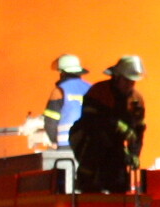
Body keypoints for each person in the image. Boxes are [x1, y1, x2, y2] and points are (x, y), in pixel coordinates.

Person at [73, 55, 146, 193]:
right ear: (117, 77)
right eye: (127, 80)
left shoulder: (136, 99)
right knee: (94, 151)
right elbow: (90, 121)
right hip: (87, 138)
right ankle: (86, 185)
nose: (130, 85)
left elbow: (138, 131)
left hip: (115, 144)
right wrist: (117, 125)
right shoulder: (99, 92)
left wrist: (135, 154)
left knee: (119, 178)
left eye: (133, 81)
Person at [38, 53, 89, 151]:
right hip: (89, 145)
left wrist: (54, 141)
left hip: (67, 144)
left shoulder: (60, 91)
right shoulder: (92, 88)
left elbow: (50, 121)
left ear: (62, 72)